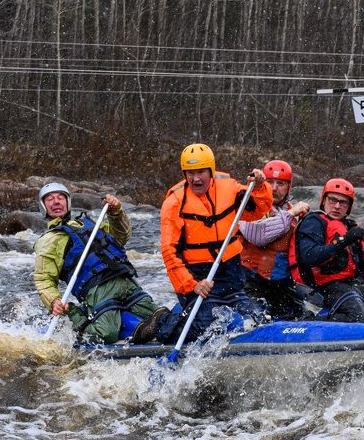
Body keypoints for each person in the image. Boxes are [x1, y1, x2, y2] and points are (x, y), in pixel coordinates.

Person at [132, 143, 273, 345]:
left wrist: (260, 186)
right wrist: (192, 285)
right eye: (190, 173)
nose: (196, 178)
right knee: (205, 328)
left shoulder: (230, 188)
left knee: (255, 319)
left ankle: (185, 314)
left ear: (211, 171)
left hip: (230, 274)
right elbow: (169, 252)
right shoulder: (174, 203)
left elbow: (258, 208)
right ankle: (161, 322)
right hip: (197, 277)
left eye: (200, 172)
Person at [34, 182, 169, 344]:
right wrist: (53, 301)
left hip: (124, 279)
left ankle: (155, 328)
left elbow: (121, 237)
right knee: (107, 334)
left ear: (67, 202)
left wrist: (116, 213)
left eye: (60, 197)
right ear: (43, 206)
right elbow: (43, 279)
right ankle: (75, 317)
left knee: (162, 319)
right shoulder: (48, 241)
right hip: (97, 290)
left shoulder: (90, 224)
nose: (56, 202)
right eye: (50, 199)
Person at [288, 178, 364, 325]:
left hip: (357, 288)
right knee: (358, 318)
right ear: (323, 200)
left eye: (343, 202)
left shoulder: (350, 226)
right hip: (326, 288)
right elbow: (310, 257)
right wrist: (343, 241)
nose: (337, 206)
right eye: (332, 200)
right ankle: (309, 321)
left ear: (349, 207)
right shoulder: (313, 222)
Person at [238, 159, 311, 320]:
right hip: (250, 282)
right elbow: (259, 236)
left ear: (289, 187)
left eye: (281, 183)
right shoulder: (249, 206)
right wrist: (291, 215)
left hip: (279, 284)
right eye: (270, 182)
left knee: (305, 315)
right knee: (257, 318)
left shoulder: (292, 211)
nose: (275, 188)